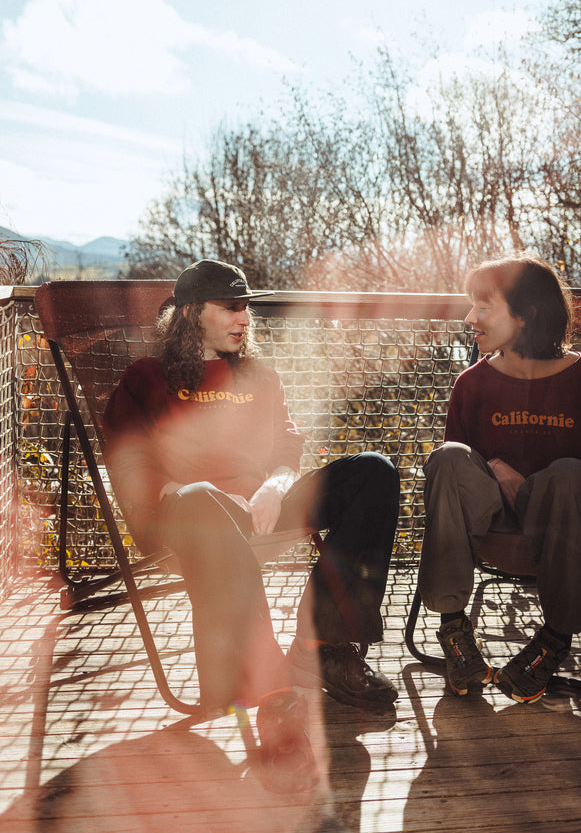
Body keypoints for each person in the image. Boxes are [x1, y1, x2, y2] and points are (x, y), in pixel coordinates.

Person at [103, 259, 400, 793]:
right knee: (200, 498)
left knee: (372, 473)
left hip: (259, 507)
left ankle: (327, 646)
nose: (245, 318)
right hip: (190, 521)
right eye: (231, 307)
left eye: (247, 307)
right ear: (192, 314)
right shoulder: (147, 377)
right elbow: (127, 457)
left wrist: (275, 484)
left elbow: (288, 446)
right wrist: (170, 493)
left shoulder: (261, 377)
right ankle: (271, 700)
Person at [417, 256, 581, 703]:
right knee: (446, 458)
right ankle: (454, 629)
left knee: (571, 476)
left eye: (484, 306)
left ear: (527, 314)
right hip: (493, 519)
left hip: (564, 519)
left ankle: (554, 640)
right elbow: (459, 473)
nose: (470, 318)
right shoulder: (471, 384)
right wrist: (497, 467)